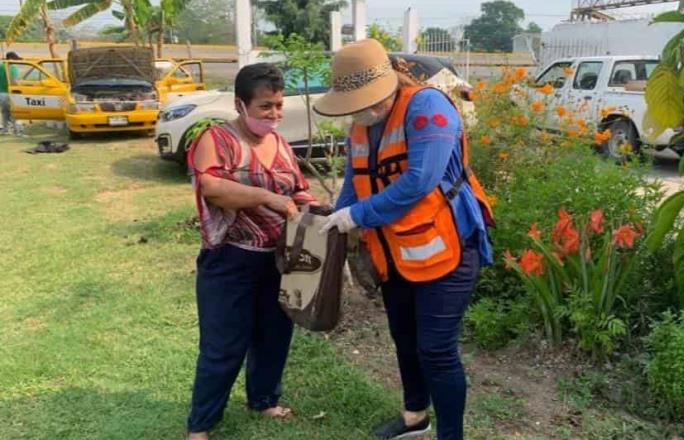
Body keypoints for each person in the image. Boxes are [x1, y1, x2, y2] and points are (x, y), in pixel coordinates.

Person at [314, 39, 495, 440]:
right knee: (405, 337)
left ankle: (451, 435)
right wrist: (337, 216)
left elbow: (420, 181)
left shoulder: (428, 108)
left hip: (448, 246)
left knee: (436, 349)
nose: (359, 110)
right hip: (393, 251)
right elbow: (354, 180)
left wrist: (356, 216)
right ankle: (416, 416)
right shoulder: (362, 123)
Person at [185, 62, 317, 440]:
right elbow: (212, 187)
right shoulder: (217, 139)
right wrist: (267, 197)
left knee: (274, 335)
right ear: (240, 105)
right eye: (265, 107)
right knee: (223, 344)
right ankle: (201, 425)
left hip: (278, 259)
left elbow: (298, 190)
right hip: (230, 260)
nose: (274, 114)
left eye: (278, 105)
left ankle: (264, 399)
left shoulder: (280, 144)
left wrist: (316, 207)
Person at [0, 52, 21, 135]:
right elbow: (14, 81)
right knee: (14, 112)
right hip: (9, 93)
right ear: (12, 58)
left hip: (1, 93)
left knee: (5, 112)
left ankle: (5, 129)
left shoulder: (1, 66)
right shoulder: (13, 67)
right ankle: (17, 130)